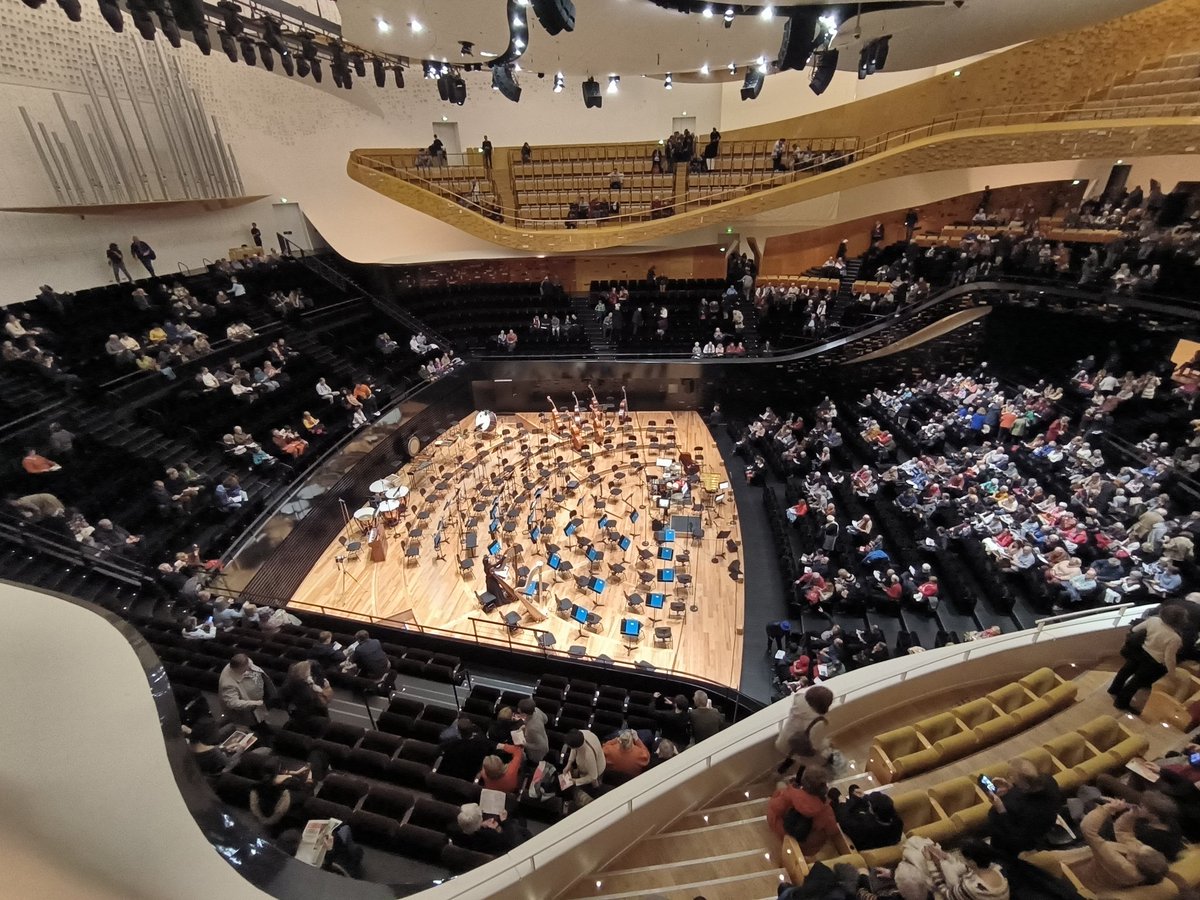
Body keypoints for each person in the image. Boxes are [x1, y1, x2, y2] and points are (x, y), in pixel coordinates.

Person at [1072, 801, 1170, 889]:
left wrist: (1108, 808)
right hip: (1088, 856)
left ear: (1134, 858)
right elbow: (1124, 832)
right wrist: (1132, 815)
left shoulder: (1124, 868)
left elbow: (1088, 830)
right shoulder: (1141, 855)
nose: (1138, 845)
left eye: (1139, 847)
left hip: (1077, 878)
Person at [1109, 605, 1187, 711]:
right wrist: (1172, 672)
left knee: (1125, 671)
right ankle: (1121, 703)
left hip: (1139, 651)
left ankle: (1113, 689)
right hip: (1153, 661)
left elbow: (1135, 629)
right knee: (1136, 681)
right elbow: (1169, 657)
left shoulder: (1153, 620)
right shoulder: (1175, 638)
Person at [984, 757, 1063, 855]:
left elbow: (1014, 835)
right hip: (1041, 832)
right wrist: (1011, 787)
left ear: (1024, 787)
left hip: (1016, 847)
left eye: (1013, 778)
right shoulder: (1049, 781)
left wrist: (1000, 809)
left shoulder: (1020, 807)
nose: (1011, 779)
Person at [894, 836, 1010, 900]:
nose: (959, 858)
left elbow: (945, 892)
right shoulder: (997, 870)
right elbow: (967, 870)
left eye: (961, 856)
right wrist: (946, 857)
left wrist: (930, 862)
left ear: (971, 861)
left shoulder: (970, 887)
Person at [766, 766, 838, 845]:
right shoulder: (825, 810)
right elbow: (832, 830)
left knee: (780, 785)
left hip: (781, 830)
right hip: (804, 845)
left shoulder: (790, 794)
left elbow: (775, 808)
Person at [775, 685, 834, 774]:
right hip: (798, 747)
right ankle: (798, 780)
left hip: (784, 739)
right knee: (810, 758)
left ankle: (781, 770)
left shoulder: (799, 700)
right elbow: (814, 744)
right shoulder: (820, 721)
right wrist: (827, 744)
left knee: (793, 755)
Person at [833, 785, 903, 851]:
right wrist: (864, 797)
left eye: (870, 804)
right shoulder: (898, 822)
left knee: (834, 792)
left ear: (873, 812)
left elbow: (844, 821)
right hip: (876, 836)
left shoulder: (863, 826)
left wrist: (842, 803)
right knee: (853, 787)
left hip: (861, 838)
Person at [218, 653, 272, 730]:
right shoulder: (228, 684)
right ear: (238, 668)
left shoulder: (247, 662)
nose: (249, 668)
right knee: (256, 724)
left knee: (261, 717)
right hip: (248, 708)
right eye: (246, 668)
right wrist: (255, 703)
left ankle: (263, 722)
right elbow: (233, 703)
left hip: (257, 697)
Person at [276, 659, 332, 725]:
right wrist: (320, 690)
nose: (310, 673)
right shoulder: (302, 687)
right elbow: (322, 703)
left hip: (297, 713)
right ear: (304, 672)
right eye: (309, 670)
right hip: (306, 716)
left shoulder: (292, 682)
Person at [564, 728, 606, 798]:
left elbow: (593, 777)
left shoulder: (588, 756)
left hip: (597, 771)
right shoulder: (580, 734)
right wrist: (569, 763)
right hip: (585, 769)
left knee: (594, 791)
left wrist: (576, 781)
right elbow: (574, 749)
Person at [515, 698, 549, 765]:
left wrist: (525, 744)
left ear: (525, 714)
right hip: (542, 737)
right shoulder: (536, 710)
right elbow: (546, 719)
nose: (518, 710)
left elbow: (541, 746)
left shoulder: (532, 728)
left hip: (537, 752)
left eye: (520, 711)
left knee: (533, 762)